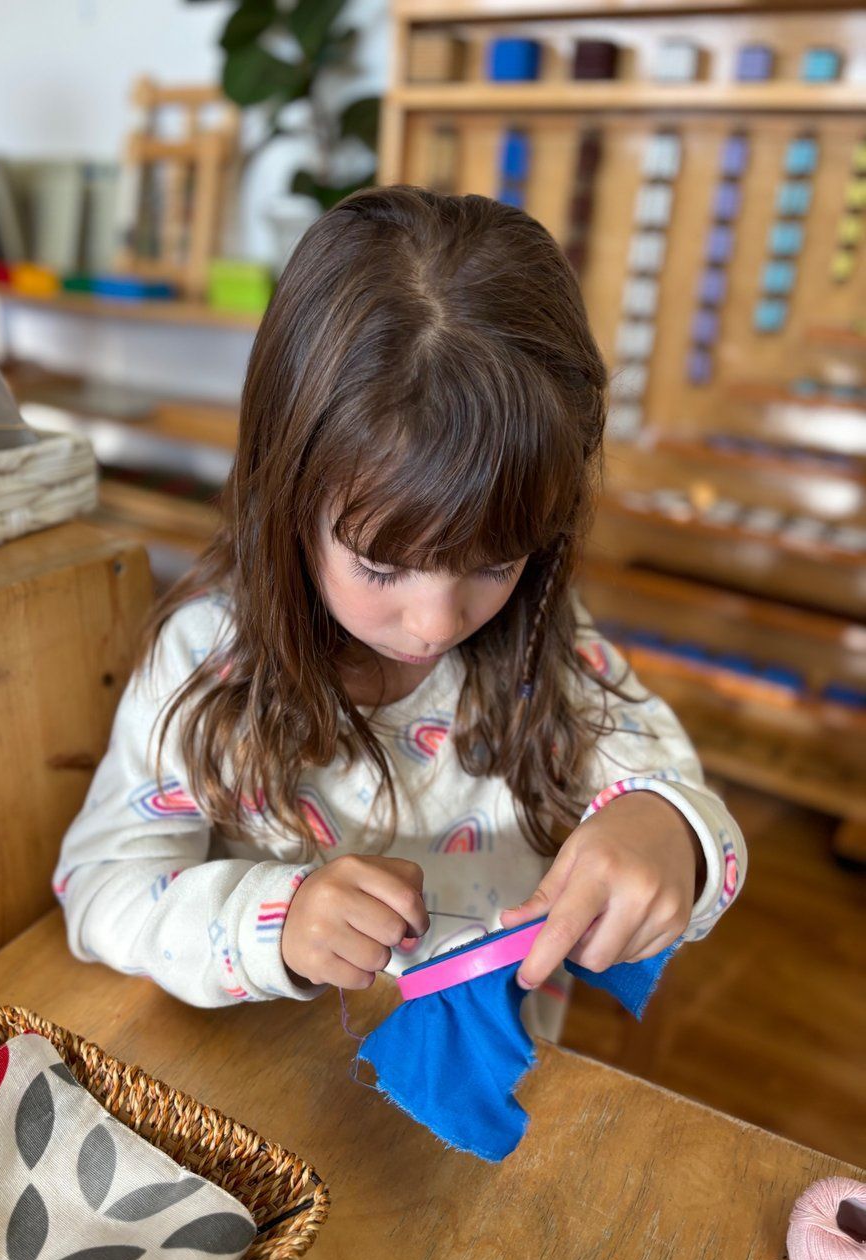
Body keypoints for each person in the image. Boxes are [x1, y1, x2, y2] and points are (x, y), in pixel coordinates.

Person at [52, 185, 746, 1040]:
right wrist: (278, 918)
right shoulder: (208, 662)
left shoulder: (547, 650)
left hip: (491, 1089)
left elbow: (684, 801)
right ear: (287, 496)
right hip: (271, 1089)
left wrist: (666, 831)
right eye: (382, 566)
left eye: (494, 562)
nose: (435, 622)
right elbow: (101, 887)